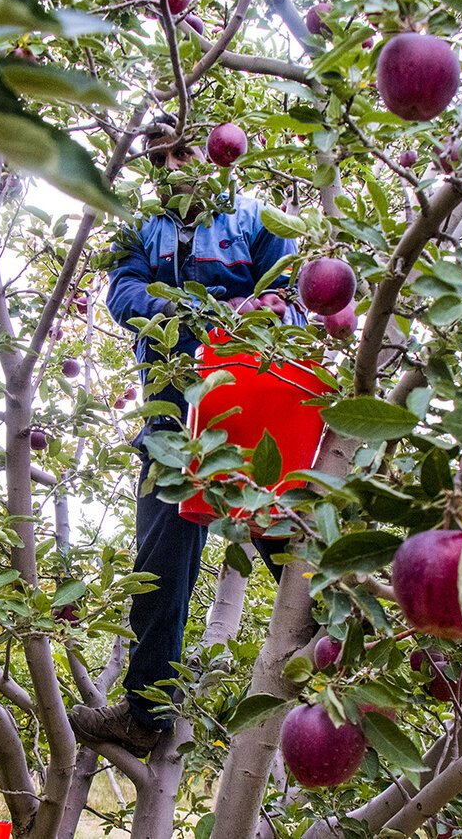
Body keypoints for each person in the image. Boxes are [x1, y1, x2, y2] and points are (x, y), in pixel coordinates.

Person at [69, 116, 301, 757]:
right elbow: (122, 295)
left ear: (213, 152)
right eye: (160, 157)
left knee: (282, 524)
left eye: (183, 150)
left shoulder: (257, 218)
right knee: (161, 558)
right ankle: (146, 714)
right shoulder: (141, 228)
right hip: (170, 408)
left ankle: (328, 654)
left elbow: (296, 295)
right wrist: (196, 311)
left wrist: (267, 308)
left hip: (249, 394)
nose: (173, 166)